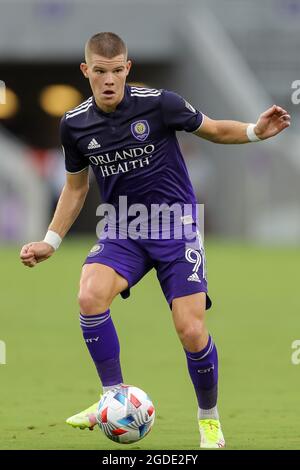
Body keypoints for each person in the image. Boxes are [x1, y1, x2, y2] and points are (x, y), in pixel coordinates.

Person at [20, 32, 290, 449]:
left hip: (175, 227)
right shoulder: (74, 124)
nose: (109, 79)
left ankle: (209, 420)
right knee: (90, 296)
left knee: (190, 330)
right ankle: (113, 396)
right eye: (99, 71)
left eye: (116, 70)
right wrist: (51, 242)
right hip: (122, 228)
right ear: (85, 71)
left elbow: (215, 130)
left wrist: (256, 130)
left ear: (127, 68)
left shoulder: (160, 103)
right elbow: (75, 189)